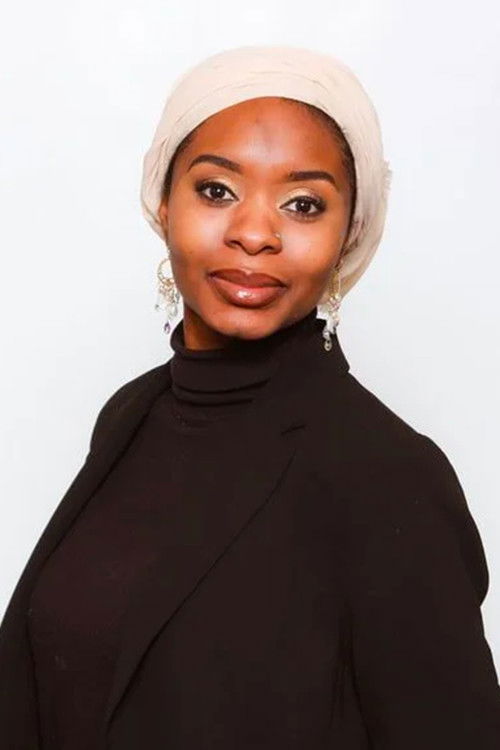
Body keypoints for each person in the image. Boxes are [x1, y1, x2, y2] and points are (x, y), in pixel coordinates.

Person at [0, 44, 499, 750]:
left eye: (303, 204)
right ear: (163, 202)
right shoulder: (131, 416)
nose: (255, 234)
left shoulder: (388, 476)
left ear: (349, 234)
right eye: (216, 191)